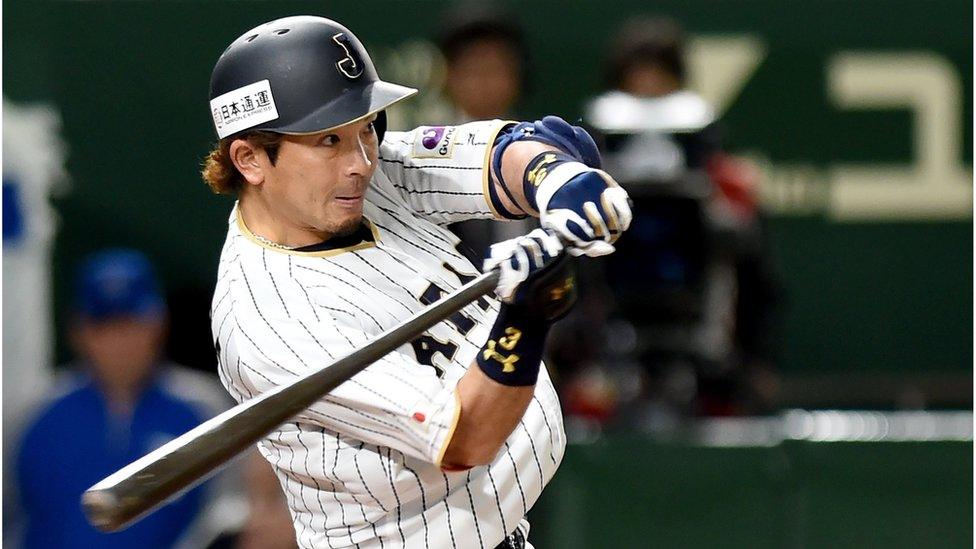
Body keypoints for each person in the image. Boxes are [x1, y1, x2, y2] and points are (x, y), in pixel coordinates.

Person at [201, 15, 632, 549]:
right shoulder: (272, 319)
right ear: (250, 159)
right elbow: (464, 438)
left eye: (366, 127)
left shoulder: (351, 182)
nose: (360, 161)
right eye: (329, 138)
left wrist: (559, 180)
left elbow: (504, 155)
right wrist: (525, 317)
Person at [13, 249, 229, 548]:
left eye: (131, 324)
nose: (120, 342)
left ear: (159, 323)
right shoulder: (34, 411)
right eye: (105, 327)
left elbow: (232, 518)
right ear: (78, 331)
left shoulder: (203, 409)